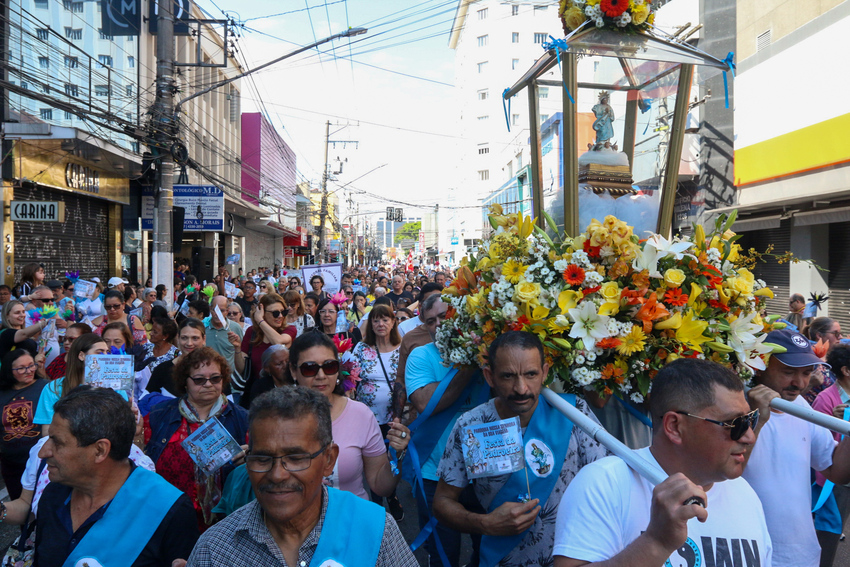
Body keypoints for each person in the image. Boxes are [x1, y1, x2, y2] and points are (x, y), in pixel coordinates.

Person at [553, 358, 771, 567]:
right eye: (735, 424)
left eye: (750, 420)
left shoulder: (745, 494)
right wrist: (655, 543)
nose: (749, 437)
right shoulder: (605, 483)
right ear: (675, 426)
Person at [184, 386, 418, 566]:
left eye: (296, 458)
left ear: (329, 460)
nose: (277, 475)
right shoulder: (215, 551)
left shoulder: (374, 530)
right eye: (262, 459)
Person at [432, 331, 606, 566]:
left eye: (531, 374)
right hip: (502, 558)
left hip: (578, 558)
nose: (521, 388)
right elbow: (442, 501)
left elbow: (607, 485)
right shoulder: (472, 426)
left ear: (544, 372)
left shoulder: (574, 413)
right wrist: (485, 524)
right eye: (508, 376)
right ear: (489, 376)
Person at [35, 386, 198, 565]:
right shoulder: (54, 494)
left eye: (57, 442)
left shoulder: (169, 509)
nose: (43, 452)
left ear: (100, 450)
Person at [745, 329, 850, 567]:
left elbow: (835, 469)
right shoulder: (737, 405)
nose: (799, 383)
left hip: (802, 554)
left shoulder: (801, 404)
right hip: (753, 552)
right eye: (788, 372)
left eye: (806, 372)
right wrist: (757, 419)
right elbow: (724, 473)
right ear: (759, 366)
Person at [406, 294, 490, 567]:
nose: (439, 324)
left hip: (486, 470)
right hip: (435, 475)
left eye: (445, 315)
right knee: (444, 555)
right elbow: (425, 403)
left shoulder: (487, 351)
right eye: (431, 321)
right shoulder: (420, 356)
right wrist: (467, 362)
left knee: (488, 551)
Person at [290, 332, 410, 501]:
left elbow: (380, 485)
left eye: (329, 366)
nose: (321, 375)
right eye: (310, 368)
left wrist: (396, 456)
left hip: (351, 521)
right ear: (293, 371)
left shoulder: (360, 415)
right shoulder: (277, 418)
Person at [144, 347, 249, 531]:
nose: (208, 384)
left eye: (215, 378)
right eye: (199, 379)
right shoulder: (159, 415)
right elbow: (144, 462)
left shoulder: (242, 419)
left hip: (223, 521)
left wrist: (250, 459)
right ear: (185, 382)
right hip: (168, 517)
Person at [351, 303, 404, 519]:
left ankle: (390, 494)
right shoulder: (362, 349)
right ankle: (378, 503)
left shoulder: (403, 349)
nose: (380, 324)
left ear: (393, 322)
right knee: (373, 460)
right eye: (376, 320)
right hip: (368, 418)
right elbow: (350, 378)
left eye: (385, 319)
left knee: (391, 459)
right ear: (370, 324)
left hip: (395, 417)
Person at [811, 342, 850, 566]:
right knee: (829, 533)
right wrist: (836, 424)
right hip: (834, 483)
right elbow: (818, 445)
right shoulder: (826, 399)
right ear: (846, 370)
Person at [34, 333, 111, 436]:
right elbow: (47, 433)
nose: (105, 357)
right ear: (82, 356)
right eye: (99, 352)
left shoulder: (114, 387)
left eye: (107, 352)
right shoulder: (54, 388)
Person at [0, 350, 47, 499]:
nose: (29, 371)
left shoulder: (45, 387)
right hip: (11, 464)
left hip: (39, 463)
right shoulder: (2, 393)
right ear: (9, 370)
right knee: (17, 504)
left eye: (31, 365)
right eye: (21, 368)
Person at [236, 293, 296, 396]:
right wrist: (237, 348)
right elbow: (242, 369)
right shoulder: (252, 332)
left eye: (283, 312)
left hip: (284, 392)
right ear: (262, 312)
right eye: (275, 313)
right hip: (257, 391)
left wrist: (259, 320)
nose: (280, 316)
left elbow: (278, 344)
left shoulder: (289, 330)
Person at [142, 318, 207, 408]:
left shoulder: (215, 369)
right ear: (178, 338)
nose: (189, 343)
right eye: (184, 338)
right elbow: (145, 402)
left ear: (204, 339)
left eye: (195, 338)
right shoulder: (162, 370)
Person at [239, 344, 291, 409]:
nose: (285, 366)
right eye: (279, 364)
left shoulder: (299, 380)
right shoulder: (260, 388)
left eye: (288, 361)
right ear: (267, 368)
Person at [205, 296, 244, 372]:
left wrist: (237, 347)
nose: (217, 314)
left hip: (229, 376)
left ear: (227, 311)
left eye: (221, 311)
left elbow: (241, 353)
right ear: (210, 309)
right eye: (215, 310)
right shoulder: (203, 326)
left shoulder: (235, 328)